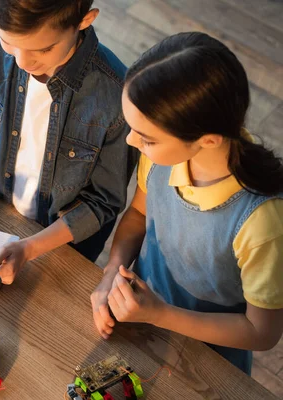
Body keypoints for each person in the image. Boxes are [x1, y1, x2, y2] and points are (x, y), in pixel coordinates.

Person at [90, 32, 283, 374]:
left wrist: (160, 314)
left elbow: (262, 332)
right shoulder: (163, 158)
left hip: (208, 357)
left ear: (207, 140)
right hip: (140, 319)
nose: (132, 142)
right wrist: (111, 272)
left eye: (146, 138)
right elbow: (137, 213)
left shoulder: (263, 223)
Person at [0, 0, 137, 284]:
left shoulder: (117, 97)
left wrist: (30, 248)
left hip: (60, 249)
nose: (22, 62)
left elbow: (101, 203)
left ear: (84, 20)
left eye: (43, 49)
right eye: (8, 41)